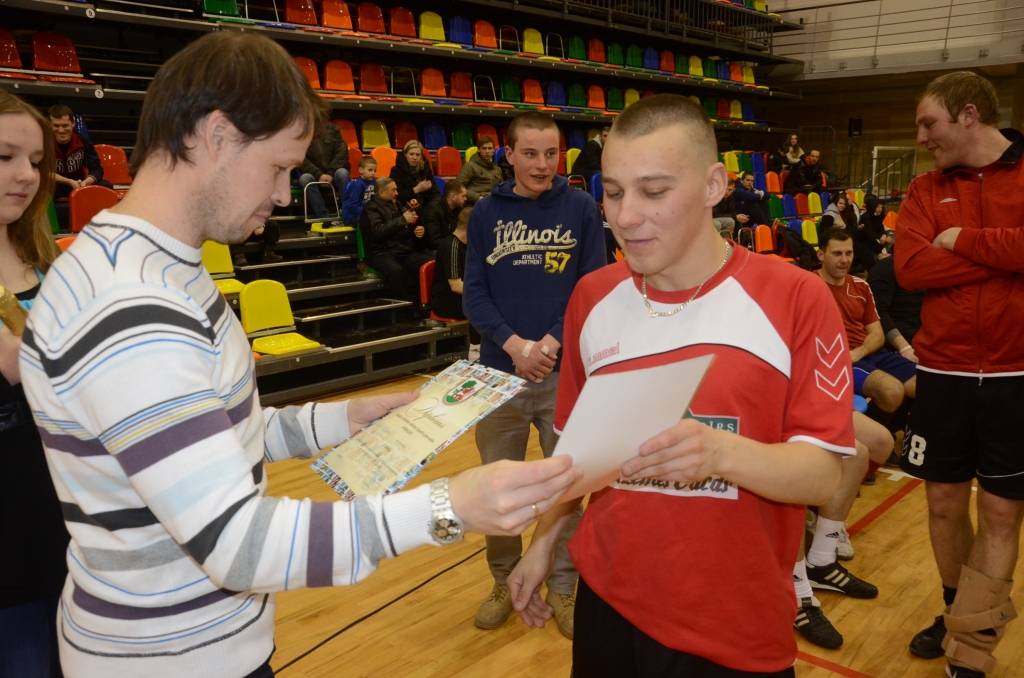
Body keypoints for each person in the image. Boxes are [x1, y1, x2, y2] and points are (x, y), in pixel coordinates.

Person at [16, 33, 581, 678]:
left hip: (197, 646)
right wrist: (445, 506)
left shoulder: (159, 268)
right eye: (279, 167)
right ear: (217, 136)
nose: (286, 194)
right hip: (168, 660)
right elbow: (237, 544)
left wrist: (337, 420)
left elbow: (213, 435)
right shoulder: (129, 305)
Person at [506, 94, 853, 677]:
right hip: (609, 602)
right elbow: (576, 455)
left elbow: (823, 475)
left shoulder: (795, 297)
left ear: (714, 185)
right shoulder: (592, 297)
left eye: (654, 191)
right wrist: (543, 542)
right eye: (614, 192)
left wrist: (720, 453)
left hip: (734, 622)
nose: (625, 216)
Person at [895, 70, 1024, 678]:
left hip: (1015, 373)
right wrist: (1006, 255)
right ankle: (958, 613)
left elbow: (940, 258)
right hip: (943, 370)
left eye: (929, 123)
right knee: (944, 504)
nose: (921, 138)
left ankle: (971, 649)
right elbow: (912, 269)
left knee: (1000, 513)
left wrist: (961, 240)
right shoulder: (925, 188)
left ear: (969, 114)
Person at [464, 111, 606, 640]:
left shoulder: (581, 207)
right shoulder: (486, 212)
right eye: (530, 154)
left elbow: (592, 286)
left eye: (551, 154)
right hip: (498, 377)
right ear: (509, 155)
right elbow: (474, 293)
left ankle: (563, 586)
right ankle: (504, 582)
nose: (543, 165)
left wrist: (550, 342)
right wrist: (515, 345)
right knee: (495, 489)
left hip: (563, 373)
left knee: (566, 485)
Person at [0, 90, 68, 678]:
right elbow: (25, 369)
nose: (27, 175)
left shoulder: (42, 255)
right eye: (5, 157)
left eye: (36, 161)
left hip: (62, 510)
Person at [793, 411, 891, 649]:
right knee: (795, 471)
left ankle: (821, 561)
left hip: (798, 403)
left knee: (857, 453)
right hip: (759, 412)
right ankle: (796, 589)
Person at [817, 228, 916, 425]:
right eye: (837, 253)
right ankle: (868, 436)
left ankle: (893, 432)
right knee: (892, 390)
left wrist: (858, 353)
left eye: (849, 253)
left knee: (926, 385)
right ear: (821, 255)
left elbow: (877, 335)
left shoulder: (861, 286)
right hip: (838, 361)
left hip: (867, 353)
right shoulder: (808, 285)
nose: (845, 260)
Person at [359, 176, 432, 300]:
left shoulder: (397, 204)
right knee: (396, 271)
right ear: (382, 192)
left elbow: (405, 226)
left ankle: (424, 302)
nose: (397, 193)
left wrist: (416, 230)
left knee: (428, 262)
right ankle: (404, 305)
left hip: (402, 250)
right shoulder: (370, 209)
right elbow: (378, 232)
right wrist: (403, 220)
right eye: (393, 190)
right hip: (380, 252)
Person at [430, 206, 480, 347]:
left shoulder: (469, 245)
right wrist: (482, 293)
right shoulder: (451, 246)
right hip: (447, 301)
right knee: (482, 306)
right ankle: (476, 349)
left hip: (462, 297)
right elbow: (456, 286)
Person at [869, 244, 923, 363]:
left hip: (925, 340)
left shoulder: (927, 269)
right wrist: (904, 348)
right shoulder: (884, 269)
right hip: (899, 345)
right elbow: (878, 312)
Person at [48, 103, 106, 199]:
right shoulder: (43, 142)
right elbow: (42, 172)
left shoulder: (83, 140)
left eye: (65, 125)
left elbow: (97, 169)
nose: (61, 130)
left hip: (79, 183)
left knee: (106, 186)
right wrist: (68, 181)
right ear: (50, 125)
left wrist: (86, 182)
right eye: (56, 126)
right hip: (55, 185)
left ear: (73, 124)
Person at [296, 118, 349, 219]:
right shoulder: (299, 131)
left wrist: (330, 173)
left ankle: (347, 213)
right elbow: (300, 157)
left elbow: (342, 152)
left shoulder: (333, 129)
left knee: (342, 173)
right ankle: (323, 217)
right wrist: (318, 174)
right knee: (305, 178)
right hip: (314, 175)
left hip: (333, 173)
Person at [390, 139, 439, 209]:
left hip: (424, 206)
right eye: (411, 154)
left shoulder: (425, 169)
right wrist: (416, 189)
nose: (414, 157)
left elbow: (435, 192)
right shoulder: (396, 171)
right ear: (405, 155)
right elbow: (397, 196)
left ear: (421, 157)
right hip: (404, 206)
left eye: (417, 155)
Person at [421, 178, 467, 250]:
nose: (465, 199)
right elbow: (433, 242)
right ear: (453, 196)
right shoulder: (433, 210)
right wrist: (456, 244)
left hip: (450, 245)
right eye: (463, 196)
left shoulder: (458, 208)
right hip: (434, 250)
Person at [457, 135, 503, 204]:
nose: (487, 151)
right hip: (475, 202)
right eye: (484, 148)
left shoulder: (497, 169)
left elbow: (502, 188)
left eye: (490, 148)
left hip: (494, 202)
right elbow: (458, 186)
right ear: (479, 150)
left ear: (493, 151)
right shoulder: (470, 166)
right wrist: (477, 198)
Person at [341, 156, 377, 225]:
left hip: (365, 213)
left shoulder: (374, 182)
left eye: (375, 171)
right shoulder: (357, 185)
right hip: (352, 216)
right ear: (361, 170)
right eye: (370, 170)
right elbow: (352, 205)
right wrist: (367, 213)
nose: (373, 173)